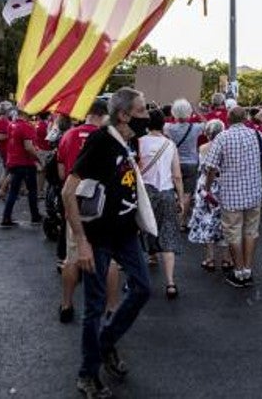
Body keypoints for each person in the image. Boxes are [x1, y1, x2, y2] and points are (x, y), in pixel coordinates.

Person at [62, 87, 153, 399]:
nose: (148, 116)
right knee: (95, 307)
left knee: (142, 288)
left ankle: (105, 342)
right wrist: (82, 243)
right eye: (142, 110)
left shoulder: (127, 142)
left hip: (126, 233)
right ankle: (87, 374)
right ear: (125, 115)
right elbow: (67, 192)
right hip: (98, 238)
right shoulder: (101, 140)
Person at [56, 100, 120, 324]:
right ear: (104, 115)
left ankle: (66, 304)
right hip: (105, 208)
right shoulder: (110, 138)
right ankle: (112, 308)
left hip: (76, 205)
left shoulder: (69, 135)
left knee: (72, 258)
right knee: (111, 261)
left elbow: (62, 171)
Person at [202, 106, 262, 288]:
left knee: (233, 233)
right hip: (253, 192)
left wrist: (208, 188)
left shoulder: (222, 137)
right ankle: (248, 270)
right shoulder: (257, 135)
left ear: (228, 119)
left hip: (231, 193)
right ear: (245, 118)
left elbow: (211, 167)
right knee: (251, 231)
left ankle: (239, 270)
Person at [137, 109, 185, 299]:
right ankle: (171, 282)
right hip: (165, 192)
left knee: (141, 231)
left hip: (145, 192)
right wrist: (180, 198)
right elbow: (177, 175)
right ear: (163, 124)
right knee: (167, 233)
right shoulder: (169, 144)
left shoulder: (139, 142)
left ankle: (136, 278)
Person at [188, 119, 229, 272]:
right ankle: (226, 259)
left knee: (206, 221)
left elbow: (202, 168)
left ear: (207, 133)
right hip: (223, 186)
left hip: (205, 187)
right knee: (224, 221)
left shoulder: (203, 147)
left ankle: (210, 258)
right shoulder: (226, 147)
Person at [165, 99, 204, 230]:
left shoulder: (168, 127)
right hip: (191, 163)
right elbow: (208, 124)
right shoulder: (196, 128)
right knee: (187, 193)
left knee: (173, 192)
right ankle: (182, 222)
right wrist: (197, 111)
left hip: (173, 162)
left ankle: (170, 219)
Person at [0, 109, 43, 228]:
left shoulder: (11, 125)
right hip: (26, 163)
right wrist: (39, 158)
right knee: (32, 190)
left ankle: (6, 217)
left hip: (14, 161)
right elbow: (28, 147)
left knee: (13, 191)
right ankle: (35, 216)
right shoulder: (26, 126)